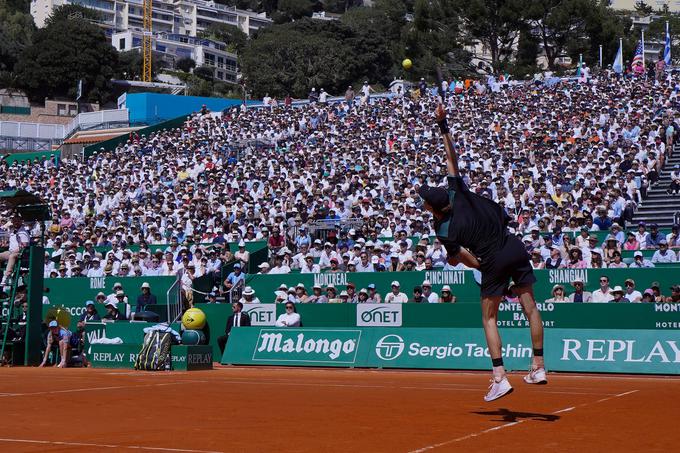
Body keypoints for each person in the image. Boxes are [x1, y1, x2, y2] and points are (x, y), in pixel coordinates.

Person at [418, 104, 546, 402]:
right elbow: (451, 157)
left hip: (492, 258)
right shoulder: (456, 191)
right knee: (531, 308)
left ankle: (500, 376)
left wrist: (483, 266)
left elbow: (466, 259)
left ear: (432, 209)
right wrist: (443, 124)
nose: (423, 202)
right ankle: (538, 366)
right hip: (514, 245)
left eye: (425, 201)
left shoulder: (445, 230)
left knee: (489, 318)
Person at [0, 214, 30, 288]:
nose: (15, 223)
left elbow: (25, 245)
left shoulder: (23, 232)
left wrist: (16, 249)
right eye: (14, 221)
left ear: (20, 222)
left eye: (17, 221)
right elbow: (10, 243)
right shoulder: (12, 231)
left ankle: (6, 276)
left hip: (21, 253)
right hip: (10, 251)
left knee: (12, 256)